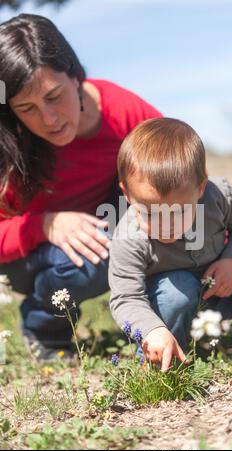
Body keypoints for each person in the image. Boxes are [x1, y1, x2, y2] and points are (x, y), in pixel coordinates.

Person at [0, 13, 162, 360]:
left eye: (54, 96)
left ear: (75, 75)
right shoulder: (9, 146)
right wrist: (44, 225)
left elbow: (186, 178)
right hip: (24, 254)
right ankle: (44, 326)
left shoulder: (123, 112)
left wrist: (220, 254)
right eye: (27, 108)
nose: (49, 119)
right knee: (104, 251)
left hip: (99, 223)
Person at [108, 117, 232, 371]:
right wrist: (151, 329)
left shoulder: (218, 196)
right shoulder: (128, 237)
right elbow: (125, 297)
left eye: (178, 212)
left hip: (223, 289)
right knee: (176, 292)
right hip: (169, 308)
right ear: (127, 195)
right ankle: (168, 361)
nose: (166, 224)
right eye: (151, 214)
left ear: (200, 188)